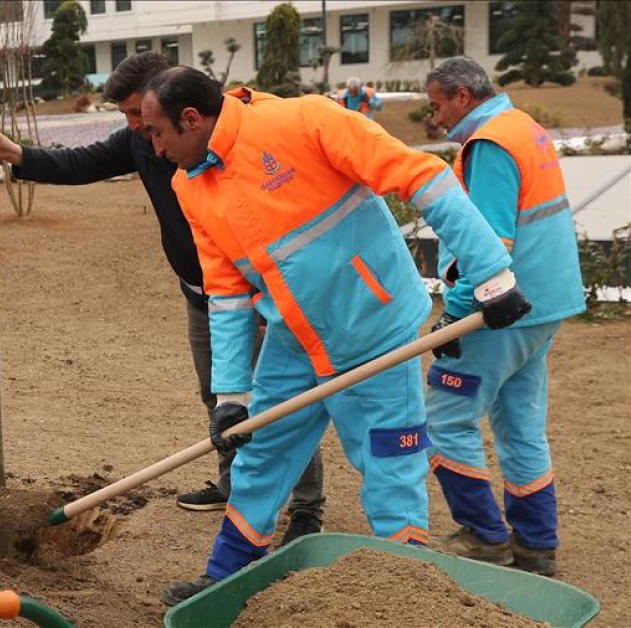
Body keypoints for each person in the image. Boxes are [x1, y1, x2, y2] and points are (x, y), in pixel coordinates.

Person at [138, 67, 532, 606]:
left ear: (191, 119)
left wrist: (492, 272)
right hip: (294, 339)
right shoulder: (191, 185)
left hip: (376, 328)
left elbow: (422, 177)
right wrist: (232, 395)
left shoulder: (305, 120)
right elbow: (226, 291)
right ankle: (225, 575)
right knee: (261, 455)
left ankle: (409, 594)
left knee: (390, 464)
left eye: (156, 132)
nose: (155, 150)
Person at [0, 52, 325, 542]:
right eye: (126, 116)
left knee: (279, 401)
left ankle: (308, 508)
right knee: (220, 395)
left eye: (135, 114)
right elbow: (85, 162)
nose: (133, 126)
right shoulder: (143, 141)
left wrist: (277, 300)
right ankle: (233, 482)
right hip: (201, 294)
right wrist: (18, 156)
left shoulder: (227, 137)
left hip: (257, 296)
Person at [422, 57, 585, 577]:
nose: (436, 118)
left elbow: (490, 244)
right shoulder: (524, 128)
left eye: (438, 105)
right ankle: (537, 547)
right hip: (545, 304)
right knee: (520, 425)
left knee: (446, 416)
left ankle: (484, 536)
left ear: (462, 97)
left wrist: (458, 311)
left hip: (503, 310)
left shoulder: (488, 145)